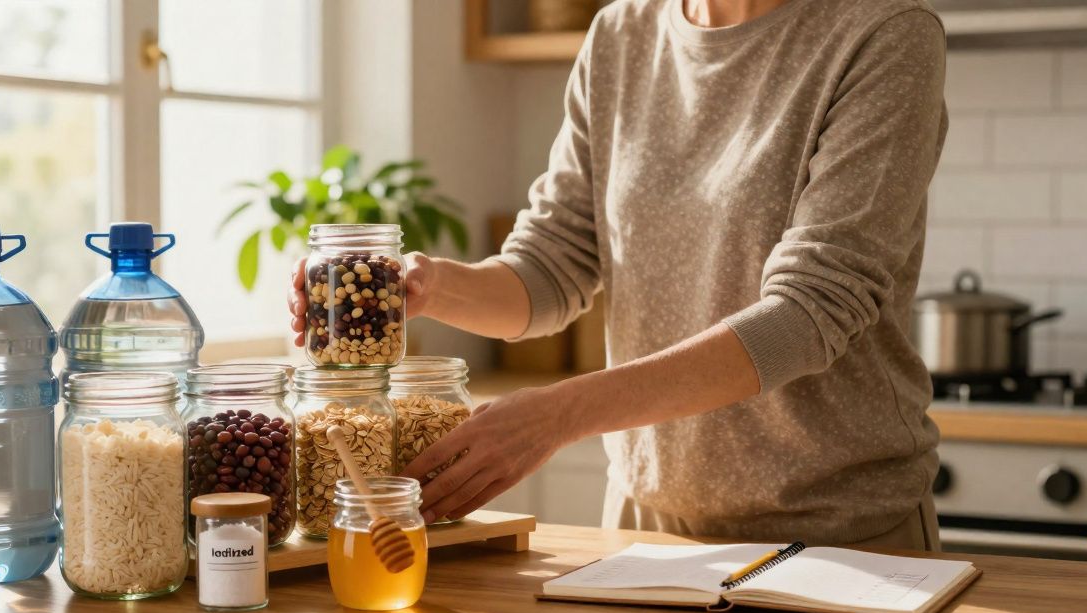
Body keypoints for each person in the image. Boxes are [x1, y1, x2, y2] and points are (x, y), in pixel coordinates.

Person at [289, 0, 948, 550]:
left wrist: (557, 415)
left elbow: (808, 314)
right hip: (646, 527)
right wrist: (428, 288)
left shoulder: (881, 33)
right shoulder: (621, 35)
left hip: (838, 534)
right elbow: (550, 267)